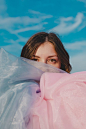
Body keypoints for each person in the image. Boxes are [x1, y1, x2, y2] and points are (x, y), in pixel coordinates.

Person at [0, 32, 86, 129]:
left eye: (52, 60)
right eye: (35, 60)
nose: (43, 67)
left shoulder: (74, 91)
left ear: (61, 64)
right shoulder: (13, 96)